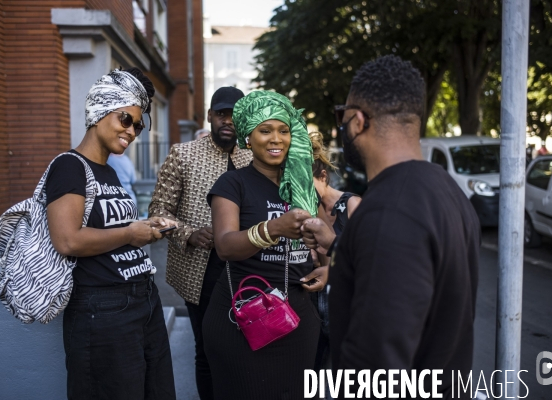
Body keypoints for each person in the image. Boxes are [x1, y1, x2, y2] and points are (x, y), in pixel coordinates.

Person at [302, 55, 480, 398]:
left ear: (358, 120)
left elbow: (376, 366)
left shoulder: (388, 213)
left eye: (343, 116)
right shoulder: (446, 190)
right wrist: (340, 250)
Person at [45, 68, 177, 399]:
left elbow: (115, 231)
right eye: (126, 119)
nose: (132, 131)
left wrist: (147, 230)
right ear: (100, 111)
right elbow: (67, 240)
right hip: (101, 308)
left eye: (139, 125)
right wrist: (131, 234)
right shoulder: (69, 166)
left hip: (142, 300)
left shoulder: (109, 172)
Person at [203, 90, 330, 400]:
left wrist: (328, 270)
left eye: (283, 130)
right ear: (248, 137)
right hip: (245, 318)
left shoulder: (303, 186)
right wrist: (275, 228)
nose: (276, 139)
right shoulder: (232, 184)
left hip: (298, 319)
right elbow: (225, 246)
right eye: (265, 130)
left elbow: (325, 241)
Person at [148, 87, 252, 400]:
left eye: (234, 115)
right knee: (206, 349)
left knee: (246, 346)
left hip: (248, 266)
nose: (228, 121)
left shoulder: (253, 156)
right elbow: (158, 211)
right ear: (210, 115)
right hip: (200, 271)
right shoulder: (183, 153)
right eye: (221, 114)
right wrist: (188, 233)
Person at [309, 131, 361, 375]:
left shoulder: (353, 205)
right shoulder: (305, 208)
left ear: (323, 176)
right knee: (315, 372)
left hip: (344, 300)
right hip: (313, 301)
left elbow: (362, 259)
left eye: (309, 186)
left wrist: (331, 270)